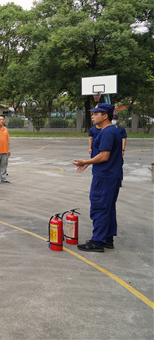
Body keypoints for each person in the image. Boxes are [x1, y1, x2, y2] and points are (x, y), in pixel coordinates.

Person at [72, 103, 123, 252]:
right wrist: (89, 164)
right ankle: (108, 238)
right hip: (111, 175)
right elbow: (102, 155)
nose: (92, 116)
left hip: (105, 176)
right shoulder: (111, 131)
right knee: (108, 208)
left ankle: (98, 242)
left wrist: (85, 162)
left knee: (99, 207)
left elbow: (104, 156)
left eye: (95, 114)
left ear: (105, 116)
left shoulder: (107, 132)